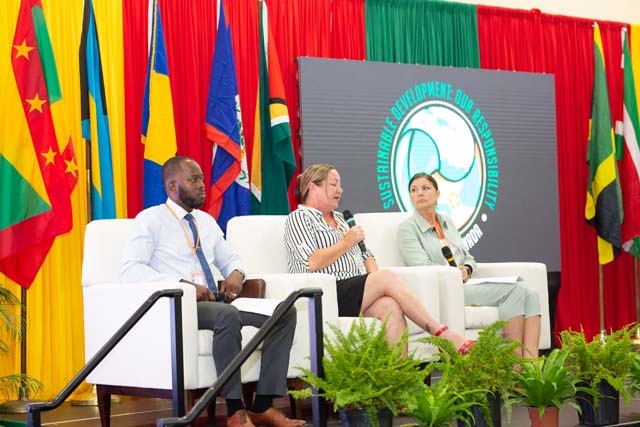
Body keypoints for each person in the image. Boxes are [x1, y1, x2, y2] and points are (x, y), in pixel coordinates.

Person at [121, 156, 306, 427]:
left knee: (284, 313)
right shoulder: (150, 220)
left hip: (216, 301)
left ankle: (263, 406)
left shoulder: (205, 221)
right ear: (172, 186)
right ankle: (235, 411)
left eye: (202, 179)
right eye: (193, 179)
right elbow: (131, 269)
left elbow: (231, 259)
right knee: (227, 316)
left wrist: (236, 274)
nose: (202, 185)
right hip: (181, 305)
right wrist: (182, 284)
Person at [284, 163, 473, 353]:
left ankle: (397, 371)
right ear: (313, 187)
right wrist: (346, 243)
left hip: (355, 289)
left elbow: (366, 254)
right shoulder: (299, 218)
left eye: (339, 185)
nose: (340, 190)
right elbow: (310, 262)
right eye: (333, 185)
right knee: (386, 277)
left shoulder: (340, 219)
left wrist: (377, 285)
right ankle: (442, 333)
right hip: (326, 292)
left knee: (391, 307)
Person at [397, 172, 541, 358]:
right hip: (446, 288)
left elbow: (468, 257)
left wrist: (467, 269)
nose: (419, 193)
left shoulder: (446, 221)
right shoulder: (407, 228)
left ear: (437, 194)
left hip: (465, 282)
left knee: (531, 295)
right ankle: (514, 361)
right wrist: (453, 274)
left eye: (425, 188)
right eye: (414, 190)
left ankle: (531, 364)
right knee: (514, 291)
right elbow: (421, 266)